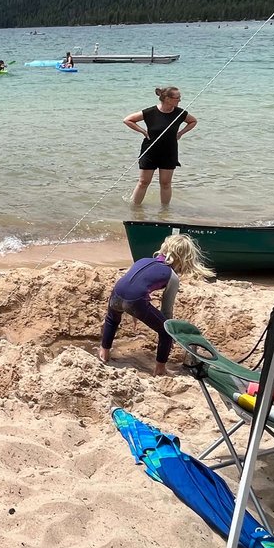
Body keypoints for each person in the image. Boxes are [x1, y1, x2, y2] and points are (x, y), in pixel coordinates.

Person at [99, 233, 213, 375]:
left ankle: (104, 354)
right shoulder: (172, 276)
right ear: (184, 258)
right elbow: (166, 310)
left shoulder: (143, 260)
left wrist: (133, 309)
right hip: (135, 301)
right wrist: (169, 333)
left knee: (112, 319)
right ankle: (160, 369)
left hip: (117, 292)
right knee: (166, 332)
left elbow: (132, 284)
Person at [124, 86, 197, 207]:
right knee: (143, 182)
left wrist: (180, 133)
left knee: (165, 183)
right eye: (177, 98)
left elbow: (193, 121)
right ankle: (135, 210)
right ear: (167, 99)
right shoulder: (150, 112)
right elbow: (128, 120)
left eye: (180, 98)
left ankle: (164, 212)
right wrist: (142, 131)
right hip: (149, 151)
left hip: (169, 151)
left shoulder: (180, 113)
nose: (179, 100)